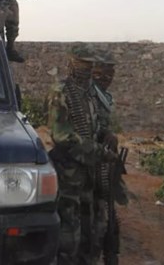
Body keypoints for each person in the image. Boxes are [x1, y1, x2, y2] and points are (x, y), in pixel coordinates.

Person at [45, 44, 116, 265]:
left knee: (91, 231)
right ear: (71, 64)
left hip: (88, 173)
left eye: (90, 64)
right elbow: (62, 136)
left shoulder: (88, 94)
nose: (87, 69)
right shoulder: (61, 92)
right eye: (82, 64)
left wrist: (106, 135)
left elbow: (92, 126)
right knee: (68, 234)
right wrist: (97, 151)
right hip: (69, 174)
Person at [90, 49, 128, 263]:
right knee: (98, 215)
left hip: (106, 159)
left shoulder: (104, 95)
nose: (108, 77)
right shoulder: (88, 94)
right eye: (103, 72)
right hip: (92, 159)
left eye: (110, 72)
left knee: (108, 211)